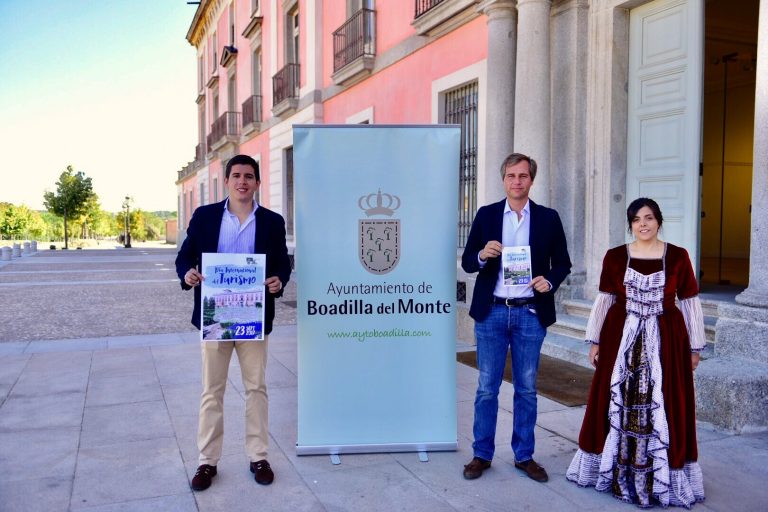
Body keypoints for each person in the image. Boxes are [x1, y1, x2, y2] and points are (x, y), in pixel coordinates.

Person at [566, 197, 705, 508]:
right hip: (620, 337)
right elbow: (605, 300)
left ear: (659, 221)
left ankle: (660, 477)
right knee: (615, 402)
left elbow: (691, 302)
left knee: (666, 403)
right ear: (630, 224)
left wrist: (694, 347)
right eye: (637, 219)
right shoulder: (615, 257)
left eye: (649, 217)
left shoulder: (679, 256)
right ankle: (614, 469)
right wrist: (595, 341)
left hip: (666, 338)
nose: (643, 224)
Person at [175, 154, 292, 491]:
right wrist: (188, 272)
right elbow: (185, 255)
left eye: (249, 176)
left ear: (257, 183)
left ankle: (258, 456)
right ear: (227, 181)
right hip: (216, 317)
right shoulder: (205, 216)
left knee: (256, 388)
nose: (243, 181)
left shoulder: (271, 221)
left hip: (252, 318)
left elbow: (282, 264)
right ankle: (206, 462)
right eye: (237, 175)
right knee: (212, 390)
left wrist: (278, 280)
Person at [461, 152, 572, 482]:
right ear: (503, 179)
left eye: (523, 176)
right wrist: (482, 254)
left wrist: (549, 281)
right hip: (492, 311)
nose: (517, 181)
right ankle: (482, 454)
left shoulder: (548, 218)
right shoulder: (487, 215)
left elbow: (563, 263)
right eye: (511, 176)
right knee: (486, 388)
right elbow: (468, 261)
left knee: (526, 389)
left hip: (529, 313)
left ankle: (524, 456)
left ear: (531, 180)